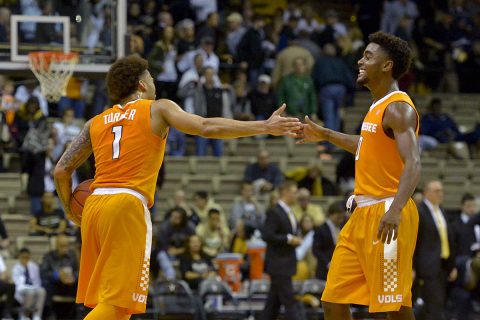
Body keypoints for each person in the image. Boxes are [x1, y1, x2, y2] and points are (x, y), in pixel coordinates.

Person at [53, 55, 301, 319]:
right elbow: (206, 126)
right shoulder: (158, 108)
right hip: (125, 204)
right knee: (117, 302)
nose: (154, 84)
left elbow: (61, 170)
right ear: (140, 85)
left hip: (93, 207)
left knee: (117, 303)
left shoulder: (95, 122)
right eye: (150, 78)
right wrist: (264, 126)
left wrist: (70, 210)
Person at [297, 31, 421, 319]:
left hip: (389, 211)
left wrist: (396, 210)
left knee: (395, 305)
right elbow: (365, 144)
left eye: (368, 56)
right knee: (333, 299)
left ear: (387, 65)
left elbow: (414, 162)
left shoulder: (398, 108)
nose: (359, 60)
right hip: (361, 215)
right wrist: (325, 134)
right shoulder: (376, 108)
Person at [414, 180, 456, 320]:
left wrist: (452, 265)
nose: (441, 194)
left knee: (436, 305)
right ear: (426, 192)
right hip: (428, 267)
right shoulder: (420, 212)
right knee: (435, 306)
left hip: (443, 265)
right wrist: (412, 267)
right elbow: (415, 242)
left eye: (441, 190)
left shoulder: (441, 210)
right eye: (437, 191)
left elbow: (447, 240)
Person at [260, 180, 302, 320]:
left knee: (273, 304)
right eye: (295, 192)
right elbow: (267, 235)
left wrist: (294, 239)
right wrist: (289, 239)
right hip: (279, 264)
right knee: (289, 301)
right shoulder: (275, 212)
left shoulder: (289, 212)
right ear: (285, 192)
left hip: (286, 262)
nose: (297, 195)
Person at [40, 234, 78, 319]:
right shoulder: (48, 256)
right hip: (55, 286)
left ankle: (78, 313)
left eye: (66, 246)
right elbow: (43, 272)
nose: (65, 248)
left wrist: (73, 277)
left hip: (69, 285)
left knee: (80, 284)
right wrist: (57, 275)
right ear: (56, 246)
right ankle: (50, 314)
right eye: (62, 246)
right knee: (46, 284)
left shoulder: (71, 256)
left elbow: (77, 271)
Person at [312, 201, 346, 280]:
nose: (340, 220)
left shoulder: (343, 227)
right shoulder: (320, 229)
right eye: (338, 218)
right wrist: (327, 263)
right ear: (331, 214)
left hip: (340, 267)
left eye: (342, 218)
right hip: (324, 269)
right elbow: (316, 250)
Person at [12, 248, 46, 320]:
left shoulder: (34, 266)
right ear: (19, 257)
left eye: (27, 257)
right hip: (21, 289)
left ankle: (37, 316)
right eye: (23, 257)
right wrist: (30, 288)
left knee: (42, 291)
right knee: (30, 292)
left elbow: (37, 281)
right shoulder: (16, 268)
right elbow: (17, 284)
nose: (25, 259)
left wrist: (35, 288)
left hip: (33, 288)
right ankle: (24, 316)